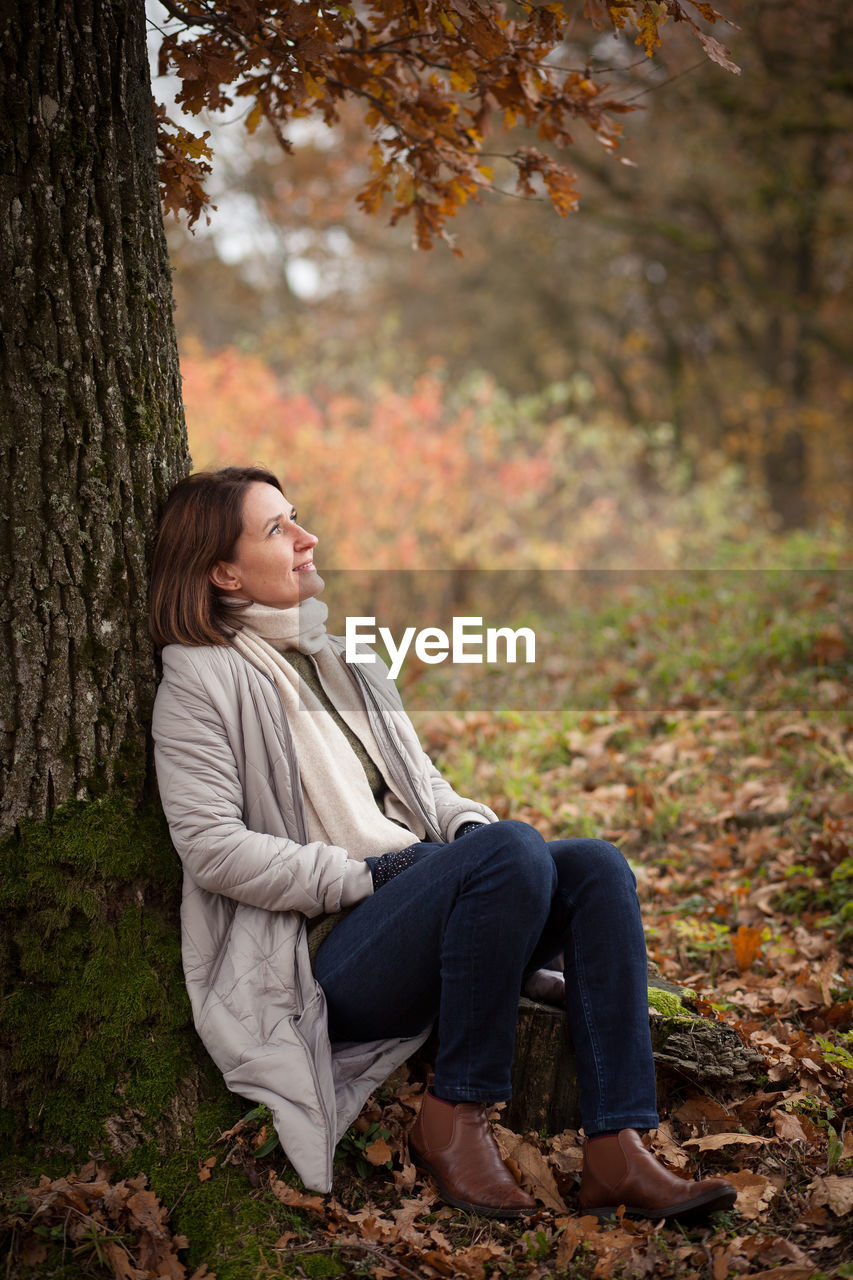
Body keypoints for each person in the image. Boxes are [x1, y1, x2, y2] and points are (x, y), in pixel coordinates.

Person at [149, 466, 736, 1222]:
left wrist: (466, 839)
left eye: (297, 519)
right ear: (222, 571)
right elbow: (213, 848)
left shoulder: (346, 657)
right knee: (512, 849)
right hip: (331, 949)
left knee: (592, 865)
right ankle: (454, 1114)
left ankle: (617, 1147)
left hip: (430, 898)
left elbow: (425, 789)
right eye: (276, 530)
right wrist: (371, 872)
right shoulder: (200, 678)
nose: (306, 538)